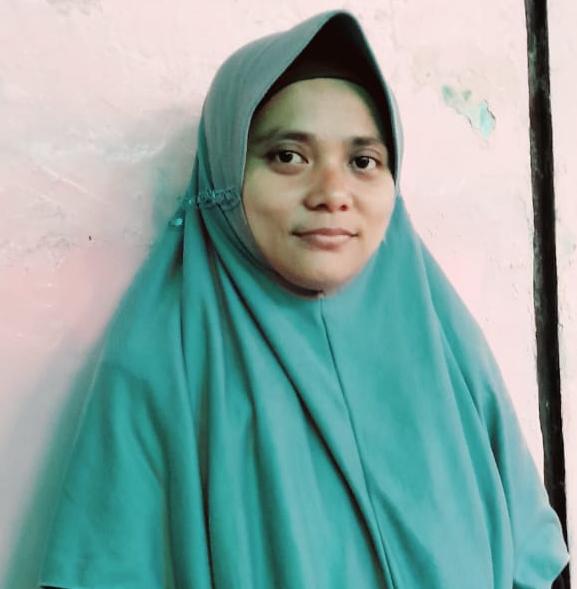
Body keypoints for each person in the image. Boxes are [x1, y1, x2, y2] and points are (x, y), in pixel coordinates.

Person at [39, 9, 568, 589]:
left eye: (363, 161)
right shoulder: (159, 366)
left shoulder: (446, 345)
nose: (333, 193)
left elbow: (534, 561)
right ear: (225, 171)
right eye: (288, 156)